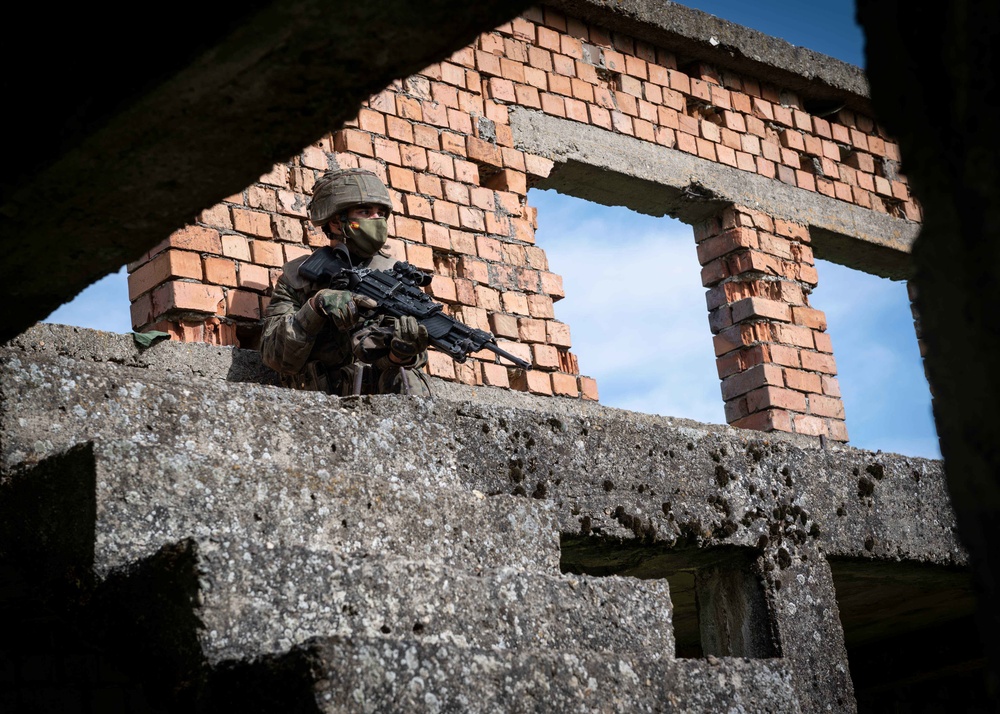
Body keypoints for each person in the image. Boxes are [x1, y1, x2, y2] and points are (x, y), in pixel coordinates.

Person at [260, 168, 432, 396]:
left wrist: (401, 354)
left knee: (406, 377)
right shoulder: (299, 278)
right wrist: (315, 307)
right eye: (365, 211)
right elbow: (276, 357)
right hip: (317, 401)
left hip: (380, 400)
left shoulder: (397, 279)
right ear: (335, 222)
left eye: (381, 213)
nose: (377, 220)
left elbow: (408, 361)